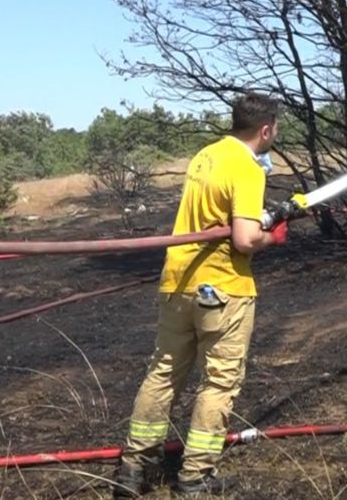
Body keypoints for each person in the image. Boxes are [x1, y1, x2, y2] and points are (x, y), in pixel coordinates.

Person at [114, 93, 288, 498]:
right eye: (275, 129)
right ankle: (195, 477)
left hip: (177, 281)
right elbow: (244, 239)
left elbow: (215, 215)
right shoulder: (246, 168)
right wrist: (272, 237)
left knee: (162, 375)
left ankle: (134, 469)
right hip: (222, 288)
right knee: (219, 382)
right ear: (266, 129)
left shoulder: (205, 156)